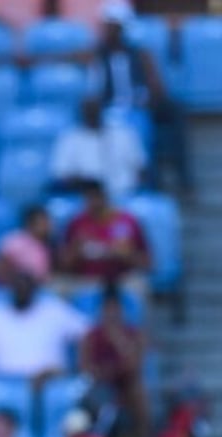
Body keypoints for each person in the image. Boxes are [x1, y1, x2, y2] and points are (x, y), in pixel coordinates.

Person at [89, 0, 193, 193]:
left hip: (139, 108)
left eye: (114, 27)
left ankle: (180, 180)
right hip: (110, 111)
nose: (109, 31)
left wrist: (148, 99)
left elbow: (157, 87)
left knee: (172, 112)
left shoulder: (139, 53)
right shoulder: (97, 53)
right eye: (107, 26)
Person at [0, 257, 90, 388]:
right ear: (10, 288)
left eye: (26, 283)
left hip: (51, 385)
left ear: (35, 287)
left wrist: (79, 370)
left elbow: (89, 334)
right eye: (17, 284)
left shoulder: (55, 309)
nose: (22, 288)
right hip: (5, 390)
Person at [79, 283, 149, 437]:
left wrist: (116, 337)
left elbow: (134, 364)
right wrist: (106, 372)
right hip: (99, 383)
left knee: (138, 392)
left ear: (122, 311)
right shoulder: (91, 336)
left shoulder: (134, 334)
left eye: (115, 309)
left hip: (125, 384)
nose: (111, 314)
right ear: (101, 311)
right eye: (107, 310)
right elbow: (85, 367)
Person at [58, 179, 151, 295]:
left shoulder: (127, 221)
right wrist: (76, 250)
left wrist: (128, 255)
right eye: (89, 198)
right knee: (60, 287)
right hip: (87, 281)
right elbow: (63, 265)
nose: (93, 202)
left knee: (140, 285)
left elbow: (148, 263)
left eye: (96, 197)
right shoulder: (76, 223)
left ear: (105, 197)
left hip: (123, 279)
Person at [51, 97, 148, 200]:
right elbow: (61, 176)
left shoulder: (124, 134)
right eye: (88, 108)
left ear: (102, 108)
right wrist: (87, 184)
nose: (92, 111)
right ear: (81, 111)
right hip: (85, 200)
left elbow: (141, 169)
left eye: (95, 107)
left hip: (125, 197)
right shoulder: (69, 139)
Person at [0, 205, 55, 287]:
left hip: (40, 290)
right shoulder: (14, 241)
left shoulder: (47, 244)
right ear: (30, 224)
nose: (48, 226)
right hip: (14, 290)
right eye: (43, 223)